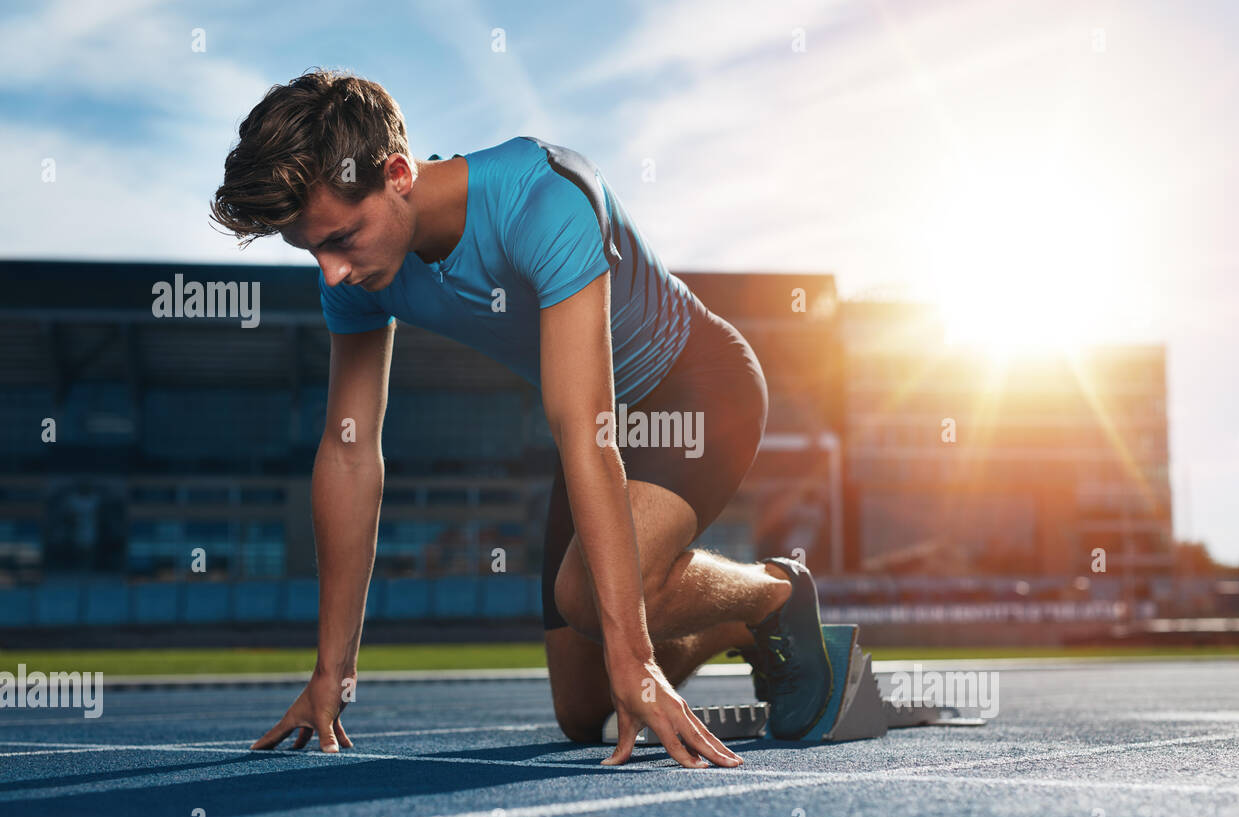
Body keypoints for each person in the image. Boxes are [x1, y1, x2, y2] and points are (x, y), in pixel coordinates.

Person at [209, 68, 833, 768]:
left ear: (396, 173)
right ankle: (733, 627)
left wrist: (635, 658)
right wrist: (333, 673)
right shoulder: (359, 275)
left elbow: (581, 428)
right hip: (598, 424)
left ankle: (774, 593)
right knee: (581, 712)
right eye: (313, 249)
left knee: (588, 599)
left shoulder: (543, 199)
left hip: (695, 388)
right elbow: (351, 452)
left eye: (342, 239)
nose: (331, 273)